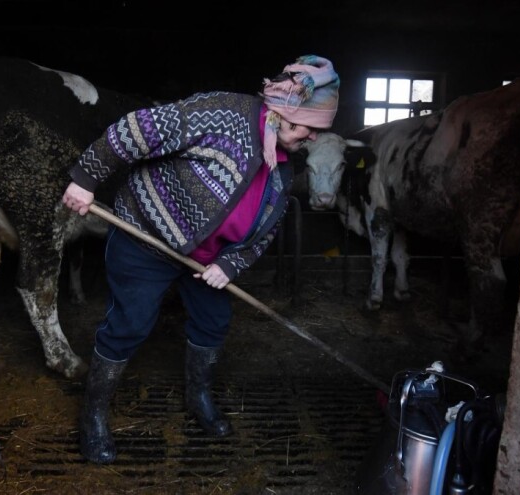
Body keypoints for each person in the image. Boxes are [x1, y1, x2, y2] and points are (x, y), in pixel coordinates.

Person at [62, 55, 341, 464]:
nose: (314, 139)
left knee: (214, 321)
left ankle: (199, 397)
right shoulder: (222, 113)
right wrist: (86, 178)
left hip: (206, 261)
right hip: (148, 237)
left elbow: (266, 230)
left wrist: (230, 265)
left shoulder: (282, 168)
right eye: (311, 128)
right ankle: (94, 415)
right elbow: (137, 129)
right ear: (285, 111)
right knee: (129, 324)